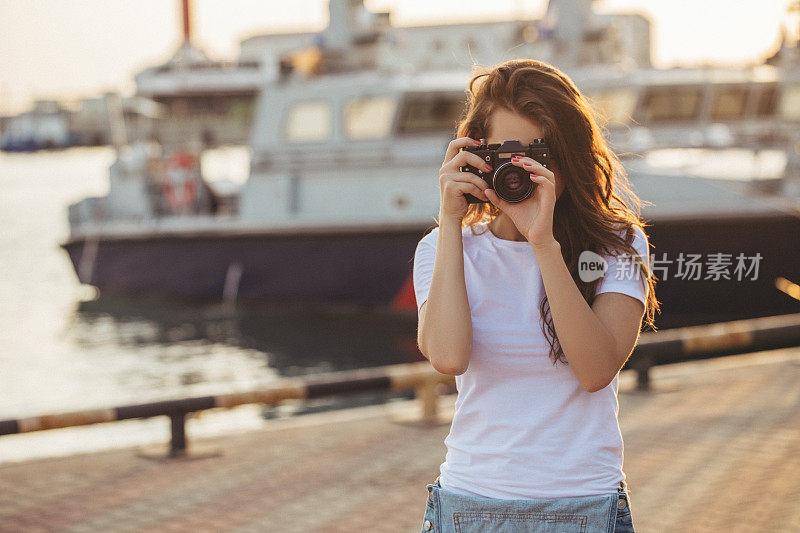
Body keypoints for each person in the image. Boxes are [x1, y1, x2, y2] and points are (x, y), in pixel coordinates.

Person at [413, 59, 660, 533]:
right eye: (509, 153)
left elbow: (595, 370)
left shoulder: (617, 243)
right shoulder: (445, 248)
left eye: (539, 154)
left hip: (583, 509)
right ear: (478, 155)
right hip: (469, 507)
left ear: (570, 157)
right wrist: (449, 219)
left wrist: (542, 243)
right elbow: (447, 356)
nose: (521, 170)